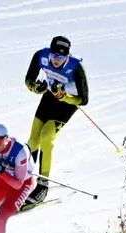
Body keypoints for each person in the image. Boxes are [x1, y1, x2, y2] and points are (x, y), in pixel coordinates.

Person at [22, 35, 89, 208]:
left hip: (67, 104)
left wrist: (65, 96)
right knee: (33, 139)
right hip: (49, 97)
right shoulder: (41, 56)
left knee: (46, 138)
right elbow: (28, 80)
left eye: (61, 58)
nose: (56, 61)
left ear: (68, 57)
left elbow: (83, 99)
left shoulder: (76, 67)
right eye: (54, 56)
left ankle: (43, 184)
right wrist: (36, 88)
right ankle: (24, 177)